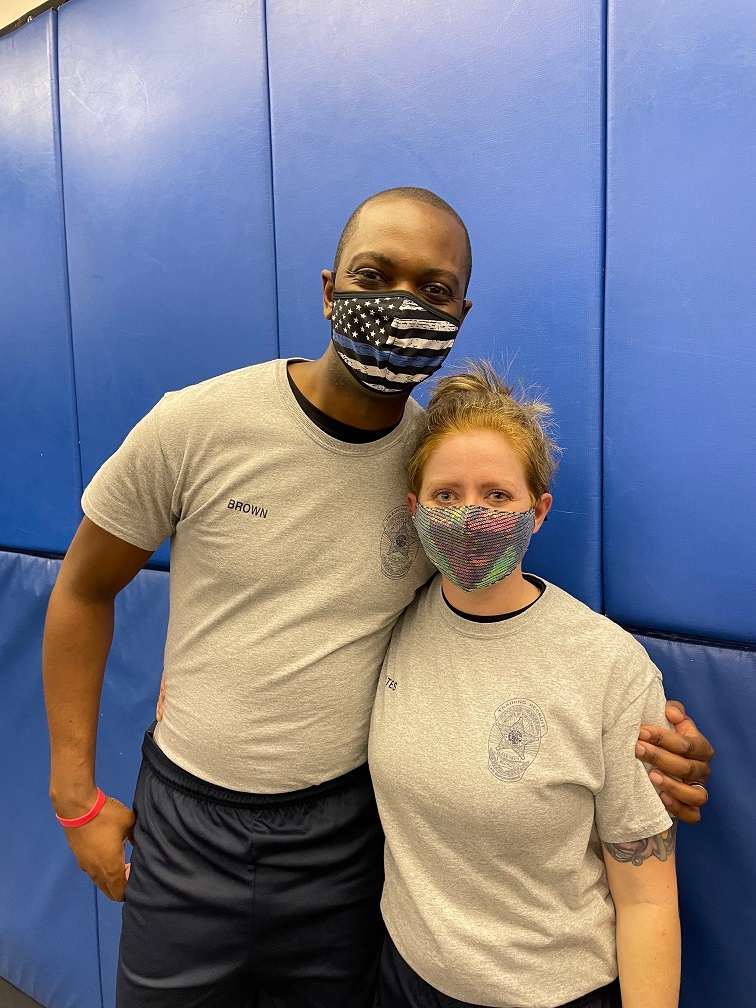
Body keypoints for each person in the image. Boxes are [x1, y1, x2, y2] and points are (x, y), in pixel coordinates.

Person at [42, 188, 711, 1008]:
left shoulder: (440, 469)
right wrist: (74, 796)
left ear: (460, 314)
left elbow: (505, 631)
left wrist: (653, 751)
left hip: (347, 837)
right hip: (189, 821)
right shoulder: (197, 424)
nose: (401, 304)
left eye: (433, 290)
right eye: (374, 275)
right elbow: (83, 588)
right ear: (330, 290)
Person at [369, 363, 683, 1008]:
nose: (469, 516)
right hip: (405, 978)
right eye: (446, 495)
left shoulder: (610, 669)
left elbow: (647, 900)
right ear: (415, 510)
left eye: (497, 495)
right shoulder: (388, 624)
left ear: (537, 512)